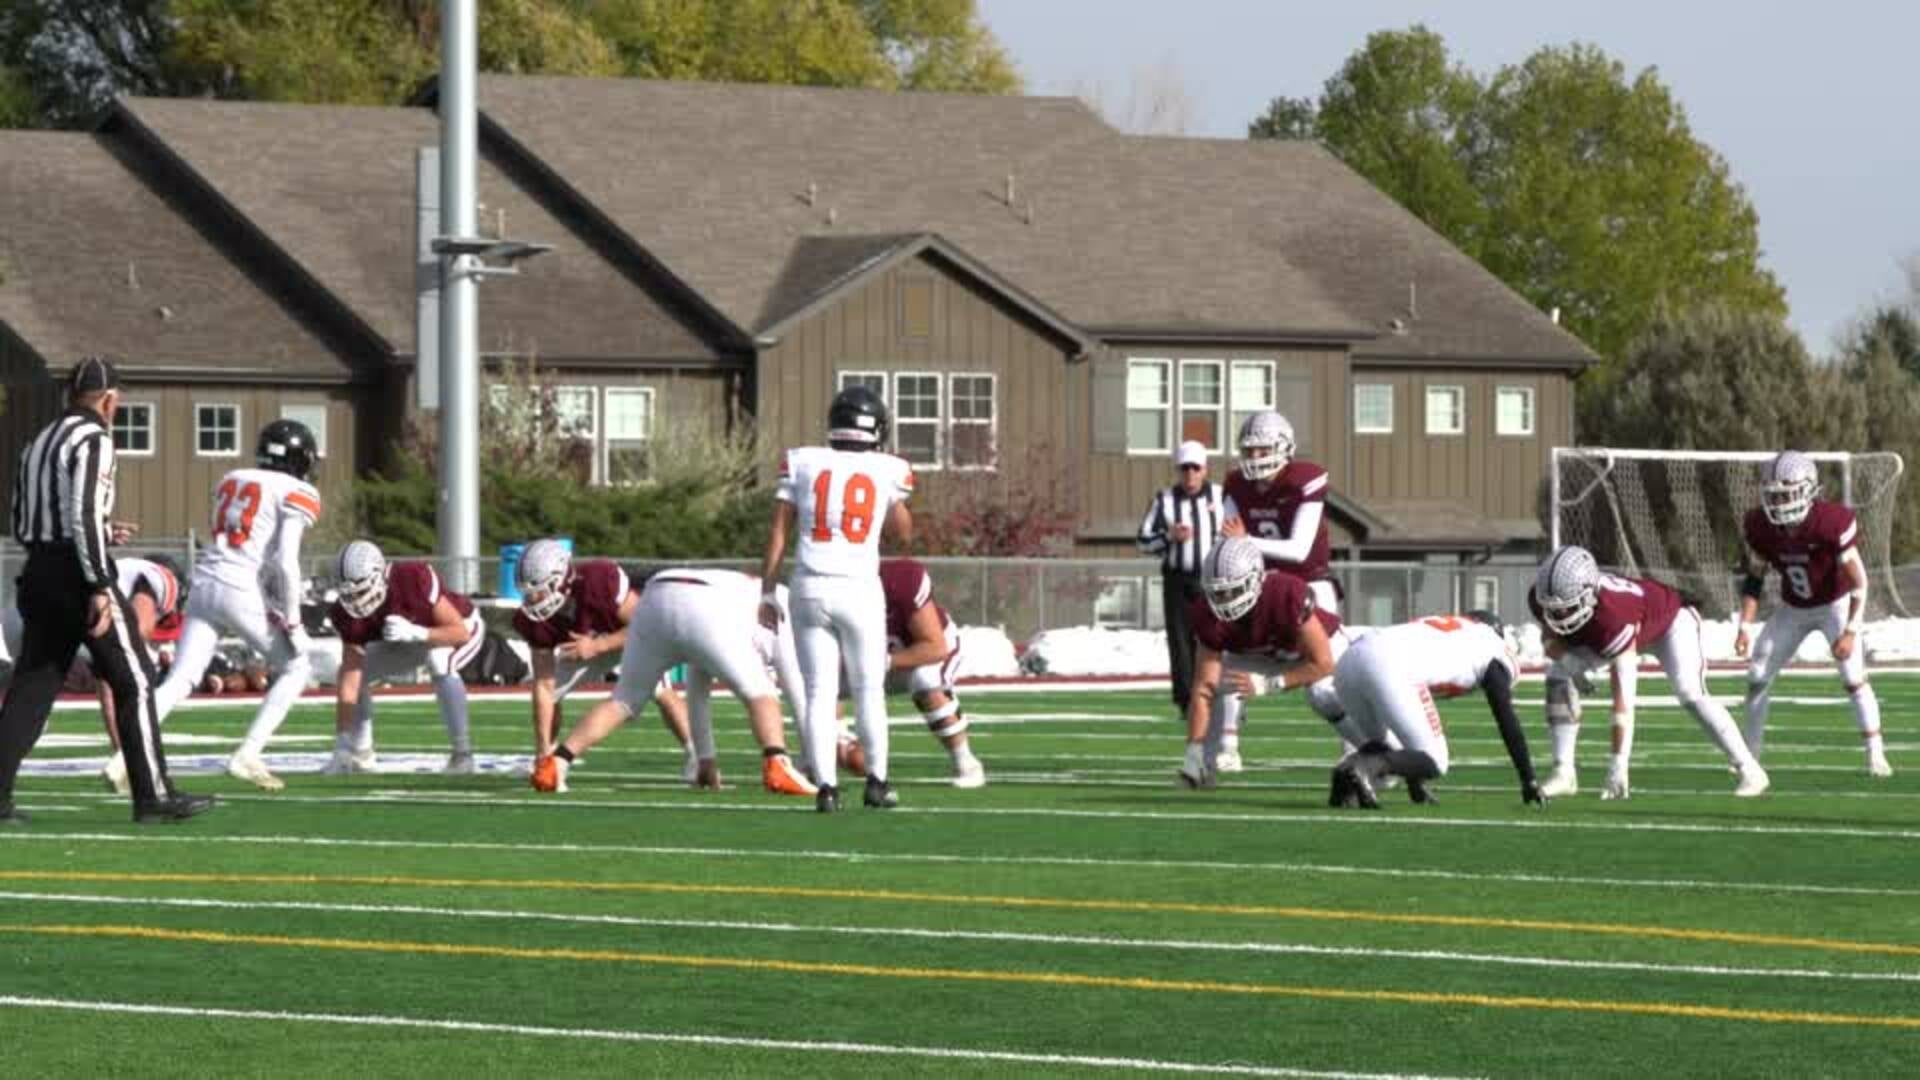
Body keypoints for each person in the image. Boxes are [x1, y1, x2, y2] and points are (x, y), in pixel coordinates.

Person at [0, 356, 212, 824]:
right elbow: (80, 513)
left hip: (37, 570)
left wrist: (98, 530)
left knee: (32, 688)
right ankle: (153, 796)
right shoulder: (95, 438)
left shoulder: (37, 441)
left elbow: (23, 520)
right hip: (78, 576)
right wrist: (97, 581)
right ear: (110, 399)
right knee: (135, 681)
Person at [757, 384, 915, 813]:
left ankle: (826, 787)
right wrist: (894, 499)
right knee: (868, 689)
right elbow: (903, 534)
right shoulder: (890, 468)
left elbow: (778, 532)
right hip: (857, 587)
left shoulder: (803, 461)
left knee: (818, 692)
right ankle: (877, 783)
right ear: (876, 427)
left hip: (808, 585)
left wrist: (767, 591)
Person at [531, 568, 816, 796]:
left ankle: (556, 764)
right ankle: (777, 761)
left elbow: (698, 683)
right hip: (703, 602)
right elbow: (799, 694)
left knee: (624, 700)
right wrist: (816, 764)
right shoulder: (786, 605)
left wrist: (706, 759)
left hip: (657, 593)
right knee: (762, 692)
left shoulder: (749, 592)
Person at [148, 419, 322, 792]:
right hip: (238, 586)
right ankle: (248, 753)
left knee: (180, 678)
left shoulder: (232, 477)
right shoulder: (297, 489)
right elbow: (284, 562)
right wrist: (292, 621)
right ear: (299, 459)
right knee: (297, 665)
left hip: (204, 581)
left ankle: (126, 758)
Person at [1532, 545, 1768, 800]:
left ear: (1589, 594)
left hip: (1670, 622)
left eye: (1566, 608)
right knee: (1558, 674)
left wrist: (1618, 763)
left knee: (1690, 693)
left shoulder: (1612, 615)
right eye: (1553, 609)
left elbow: (1624, 700)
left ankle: (1750, 769)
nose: (1559, 615)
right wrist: (1573, 667)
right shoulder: (1545, 597)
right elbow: (1549, 637)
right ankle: (1564, 772)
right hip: (1623, 626)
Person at [1735, 450, 1889, 777]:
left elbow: (1860, 580)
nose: (1778, 502)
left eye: (1786, 494)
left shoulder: (1831, 522)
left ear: (1808, 490)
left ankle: (1875, 752)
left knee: (1852, 677)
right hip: (1794, 608)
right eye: (1773, 495)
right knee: (1757, 675)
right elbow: (1755, 577)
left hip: (1835, 603)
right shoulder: (1760, 525)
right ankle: (1751, 756)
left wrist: (1850, 630)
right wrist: (1745, 626)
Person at [511, 538, 697, 779]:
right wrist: (540, 751)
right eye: (528, 593)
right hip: (584, 645)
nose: (532, 600)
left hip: (631, 637)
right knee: (552, 691)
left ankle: (697, 755)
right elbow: (544, 686)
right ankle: (550, 755)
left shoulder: (598, 580)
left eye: (538, 591)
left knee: (661, 692)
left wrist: (599, 644)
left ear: (562, 578)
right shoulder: (531, 620)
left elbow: (646, 625)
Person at [1215, 410, 1336, 771]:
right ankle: (1228, 747)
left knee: (1325, 681)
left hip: (1309, 584)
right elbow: (1226, 542)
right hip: (1261, 587)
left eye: (1262, 449)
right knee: (1233, 661)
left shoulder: (1305, 479)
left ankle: (1358, 746)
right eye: (1249, 451)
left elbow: (1298, 549)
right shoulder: (1236, 484)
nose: (1254, 458)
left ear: (1284, 448)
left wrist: (1245, 542)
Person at [1326, 613, 1546, 809]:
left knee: (1389, 746)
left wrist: (1415, 783)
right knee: (1435, 760)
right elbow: (1505, 715)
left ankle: (1345, 779)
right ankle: (1362, 767)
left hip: (1350, 660)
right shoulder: (1493, 648)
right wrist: (1529, 779)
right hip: (1388, 665)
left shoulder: (1452, 630)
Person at [1178, 536, 1338, 789]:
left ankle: (1363, 752)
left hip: (1313, 652)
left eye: (1233, 590)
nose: (1224, 601)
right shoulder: (1207, 613)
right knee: (1217, 684)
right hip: (1263, 655)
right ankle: (1202, 765)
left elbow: (1324, 663)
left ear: (1256, 579)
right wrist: (1192, 747)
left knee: (1324, 693)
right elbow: (1203, 686)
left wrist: (1267, 685)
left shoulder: (1285, 592)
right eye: (1217, 593)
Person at [826, 557, 987, 789]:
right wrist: (837, 738)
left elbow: (935, 647)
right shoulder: (828, 592)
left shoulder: (899, 580)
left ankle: (966, 762)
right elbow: (828, 671)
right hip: (872, 661)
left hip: (924, 653)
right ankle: (815, 761)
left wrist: (884, 661)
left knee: (924, 680)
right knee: (821, 689)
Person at [325, 540, 483, 774]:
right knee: (357, 675)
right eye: (349, 593)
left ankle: (463, 755)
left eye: (360, 589)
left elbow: (459, 633)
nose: (355, 600)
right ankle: (360, 752)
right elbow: (350, 676)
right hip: (405, 639)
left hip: (461, 628)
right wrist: (341, 743)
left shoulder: (412, 578)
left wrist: (417, 632)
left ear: (379, 576)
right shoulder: (344, 613)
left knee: (440, 661)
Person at [1135, 439, 1223, 729]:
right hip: (1177, 580)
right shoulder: (1164, 500)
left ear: (1205, 469)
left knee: (1218, 641)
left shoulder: (1221, 498)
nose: (1190, 475)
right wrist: (1169, 537)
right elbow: (1142, 541)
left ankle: (1225, 701)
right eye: (1184, 469)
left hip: (1213, 580)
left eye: (1195, 468)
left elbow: (1237, 535)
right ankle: (1187, 702)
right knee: (1181, 644)